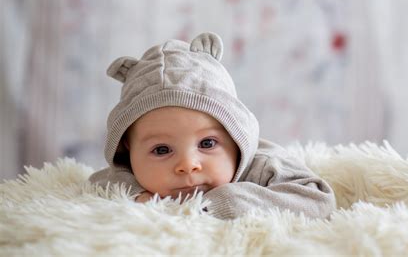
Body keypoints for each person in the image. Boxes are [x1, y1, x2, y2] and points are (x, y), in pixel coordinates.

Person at [89, 32, 336, 220]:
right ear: (128, 151)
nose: (188, 166)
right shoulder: (131, 172)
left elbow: (318, 199)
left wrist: (228, 201)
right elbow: (100, 180)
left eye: (207, 143)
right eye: (162, 150)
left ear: (235, 135)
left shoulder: (264, 165)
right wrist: (138, 195)